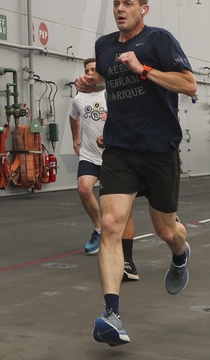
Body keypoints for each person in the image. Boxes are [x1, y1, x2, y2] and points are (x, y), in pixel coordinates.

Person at [75, 0, 197, 346]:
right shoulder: (105, 46)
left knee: (166, 230)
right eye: (116, 3)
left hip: (159, 150)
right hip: (120, 148)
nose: (120, 9)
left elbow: (189, 85)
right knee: (111, 224)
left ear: (143, 8)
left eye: (127, 3)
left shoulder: (160, 40)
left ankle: (180, 253)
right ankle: (112, 315)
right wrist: (89, 82)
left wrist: (143, 69)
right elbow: (104, 78)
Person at [70, 58, 139, 281]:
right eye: (86, 70)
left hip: (113, 156)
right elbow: (73, 116)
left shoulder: (113, 95)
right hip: (90, 154)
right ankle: (98, 229)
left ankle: (122, 249)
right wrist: (75, 138)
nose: (89, 73)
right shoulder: (79, 98)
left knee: (121, 209)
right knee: (83, 189)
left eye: (93, 70)